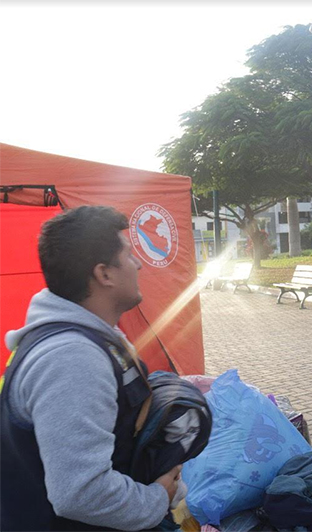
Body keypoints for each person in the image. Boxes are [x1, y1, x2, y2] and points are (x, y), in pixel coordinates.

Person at [1, 205, 182, 530]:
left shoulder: (84, 338)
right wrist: (157, 498)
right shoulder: (72, 358)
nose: (138, 263)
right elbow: (81, 493)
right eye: (128, 255)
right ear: (104, 274)